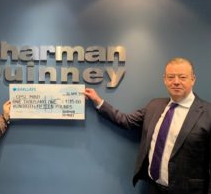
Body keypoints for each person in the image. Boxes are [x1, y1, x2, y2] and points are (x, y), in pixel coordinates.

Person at [84, 57, 211, 194]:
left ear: (193, 79)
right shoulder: (154, 106)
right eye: (171, 77)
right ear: (165, 79)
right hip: (153, 187)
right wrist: (98, 101)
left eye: (182, 77)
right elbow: (126, 121)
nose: (176, 82)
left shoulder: (207, 113)